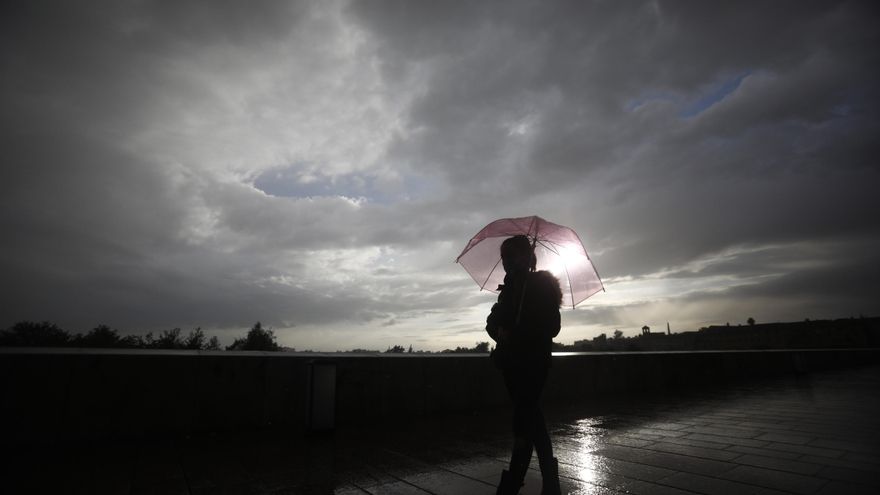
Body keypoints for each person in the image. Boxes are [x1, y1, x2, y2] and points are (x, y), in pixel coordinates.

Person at [486, 235, 562, 495]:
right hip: (511, 364)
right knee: (532, 420)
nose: (507, 262)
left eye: (512, 255)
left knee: (523, 420)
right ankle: (551, 482)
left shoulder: (541, 286)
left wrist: (521, 329)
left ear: (526, 257)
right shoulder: (508, 289)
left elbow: (552, 327)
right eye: (504, 257)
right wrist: (500, 331)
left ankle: (510, 485)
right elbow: (492, 323)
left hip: (533, 363)